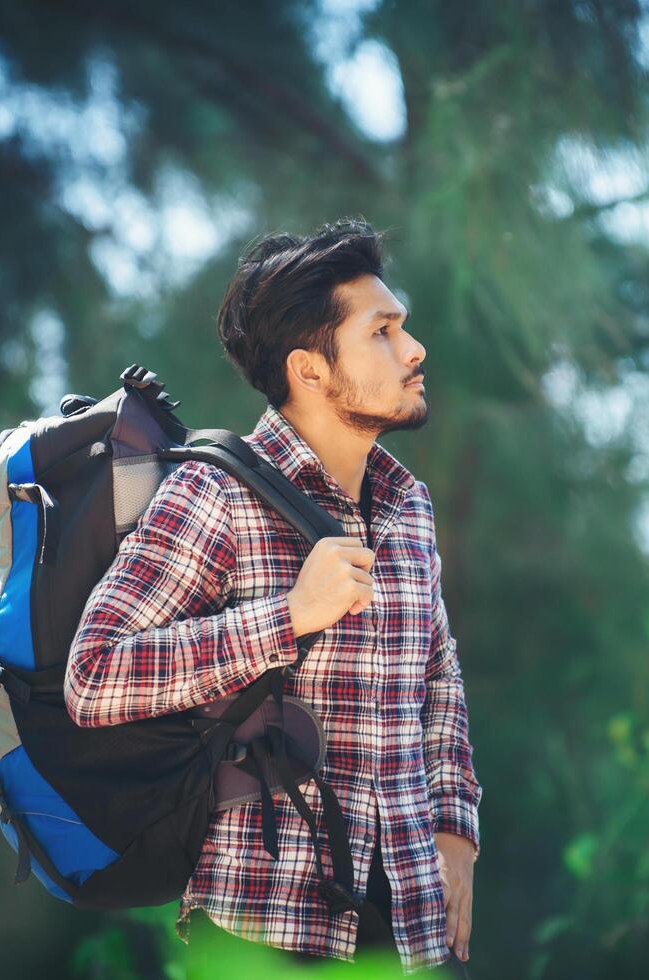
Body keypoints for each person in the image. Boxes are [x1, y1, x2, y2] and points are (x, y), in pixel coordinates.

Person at [65, 218, 481, 975]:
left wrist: (454, 830)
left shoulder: (406, 506)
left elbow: (437, 675)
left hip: (413, 928)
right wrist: (287, 616)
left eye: (405, 328)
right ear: (311, 370)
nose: (414, 350)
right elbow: (94, 677)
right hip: (264, 927)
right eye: (382, 332)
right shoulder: (214, 492)